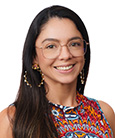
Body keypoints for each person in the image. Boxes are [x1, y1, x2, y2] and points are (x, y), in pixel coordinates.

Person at [0, 5, 115, 138]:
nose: (65, 55)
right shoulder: (13, 120)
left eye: (74, 44)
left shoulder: (104, 113)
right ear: (34, 58)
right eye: (51, 46)